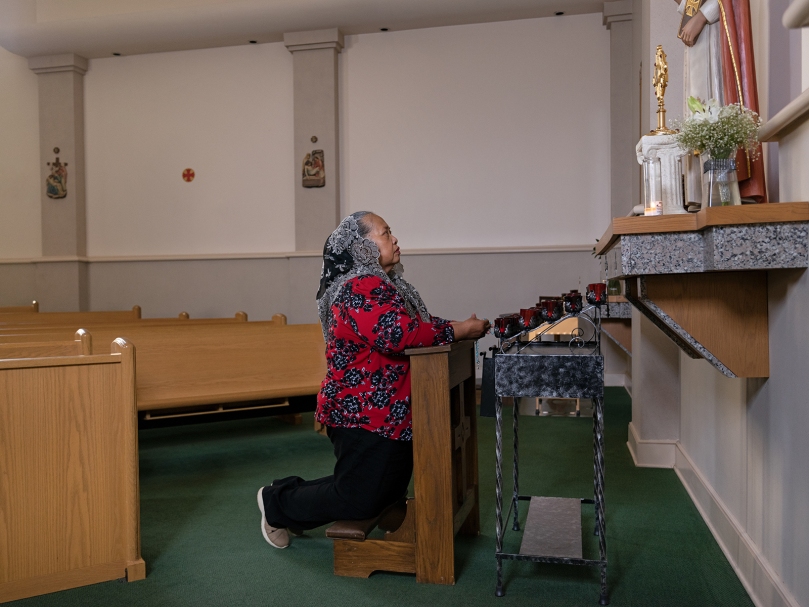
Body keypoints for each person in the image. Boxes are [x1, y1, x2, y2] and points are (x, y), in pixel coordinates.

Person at [257, 211, 490, 549]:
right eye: (385, 233)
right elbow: (397, 334)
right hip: (363, 413)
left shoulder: (386, 283)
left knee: (378, 490)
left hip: (390, 411)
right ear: (361, 246)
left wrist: (454, 326)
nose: (394, 239)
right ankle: (277, 503)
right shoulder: (358, 286)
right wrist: (458, 329)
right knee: (360, 498)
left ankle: (284, 497)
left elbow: (412, 324)